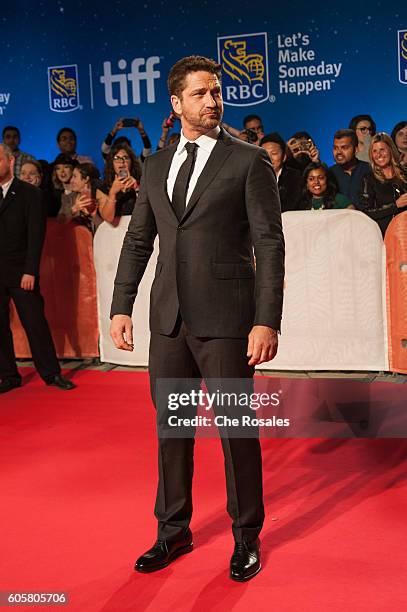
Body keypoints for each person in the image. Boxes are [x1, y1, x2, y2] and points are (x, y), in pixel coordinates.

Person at [110, 55, 284, 582]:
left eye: (217, 91)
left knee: (235, 431)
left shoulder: (248, 160)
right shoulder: (157, 163)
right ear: (177, 103)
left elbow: (268, 245)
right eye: (202, 93)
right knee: (172, 429)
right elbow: (140, 238)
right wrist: (121, 304)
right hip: (168, 319)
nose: (214, 101)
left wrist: (265, 319)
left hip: (229, 321)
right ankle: (173, 531)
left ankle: (246, 536)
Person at [0, 144, 75, 393]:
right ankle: (9, 376)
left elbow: (36, 236)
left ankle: (51, 374)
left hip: (22, 273)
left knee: (35, 324)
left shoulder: (30, 194)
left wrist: (30, 270)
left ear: (10, 161)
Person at [359, 132, 407, 236]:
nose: (378, 155)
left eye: (382, 150)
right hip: (384, 235)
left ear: (390, 150)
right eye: (374, 151)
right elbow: (366, 212)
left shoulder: (404, 174)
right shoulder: (369, 179)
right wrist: (395, 205)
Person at [98, 143, 142, 223]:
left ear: (131, 162)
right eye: (116, 158)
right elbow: (108, 218)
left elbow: (150, 210)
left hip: (137, 230)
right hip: (115, 233)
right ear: (111, 163)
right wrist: (112, 193)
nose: (122, 161)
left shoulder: (142, 183)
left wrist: (137, 188)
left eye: (125, 158)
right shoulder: (103, 188)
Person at [260, 132, 302, 211]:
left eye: (274, 153)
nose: (269, 158)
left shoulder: (295, 177)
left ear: (284, 157)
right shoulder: (252, 177)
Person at [330, 129, 370, 207]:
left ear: (356, 149)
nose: (338, 152)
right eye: (335, 148)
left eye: (344, 148)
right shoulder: (329, 174)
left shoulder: (369, 170)